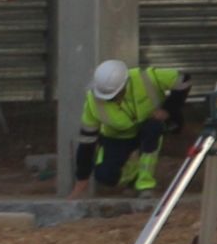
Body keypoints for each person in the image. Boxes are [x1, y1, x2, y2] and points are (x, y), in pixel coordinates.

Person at [70, 56, 190, 198]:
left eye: (115, 95)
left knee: (153, 129)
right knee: (105, 176)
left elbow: (183, 80)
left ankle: (145, 184)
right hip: (117, 138)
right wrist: (82, 178)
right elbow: (87, 141)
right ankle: (133, 175)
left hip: (149, 126)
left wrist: (167, 109)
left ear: (125, 84)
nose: (112, 100)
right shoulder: (93, 102)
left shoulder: (145, 78)